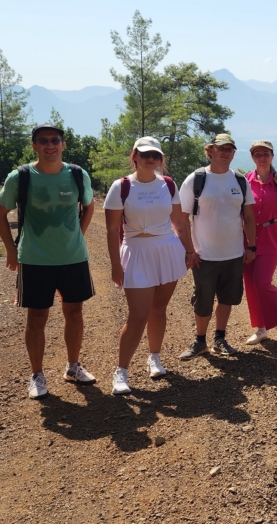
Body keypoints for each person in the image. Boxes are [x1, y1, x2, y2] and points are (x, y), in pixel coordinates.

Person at [0, 123, 96, 399]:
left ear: (63, 145)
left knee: (74, 313)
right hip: (35, 259)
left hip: (73, 258)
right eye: (43, 141)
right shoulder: (21, 177)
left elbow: (89, 206)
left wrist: (79, 234)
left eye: (55, 140)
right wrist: (11, 250)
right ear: (34, 146)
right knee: (37, 317)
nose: (50, 145)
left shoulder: (77, 174)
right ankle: (37, 375)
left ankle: (73, 367)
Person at [103, 137, 194, 395]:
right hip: (136, 251)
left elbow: (178, 222)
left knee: (159, 308)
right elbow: (112, 229)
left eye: (155, 155)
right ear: (135, 156)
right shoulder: (121, 187)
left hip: (167, 250)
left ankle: (154, 357)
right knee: (138, 315)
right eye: (145, 154)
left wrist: (189, 251)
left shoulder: (168, 184)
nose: (150, 159)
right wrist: (115, 264)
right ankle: (121, 371)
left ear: (160, 159)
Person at [177, 134, 257, 360]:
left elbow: (249, 216)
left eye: (230, 149)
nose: (226, 152)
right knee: (203, 300)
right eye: (221, 148)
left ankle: (219, 339)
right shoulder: (196, 179)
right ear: (210, 150)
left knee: (226, 298)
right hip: (204, 255)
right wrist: (189, 251)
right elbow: (182, 218)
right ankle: (200, 341)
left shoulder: (240, 180)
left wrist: (251, 247)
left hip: (234, 253)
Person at [242, 140, 277, 347]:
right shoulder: (245, 180)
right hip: (248, 236)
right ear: (252, 157)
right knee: (251, 284)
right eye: (257, 154)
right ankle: (261, 328)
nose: (261, 157)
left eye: (265, 154)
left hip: (271, 236)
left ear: (272, 156)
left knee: (262, 282)